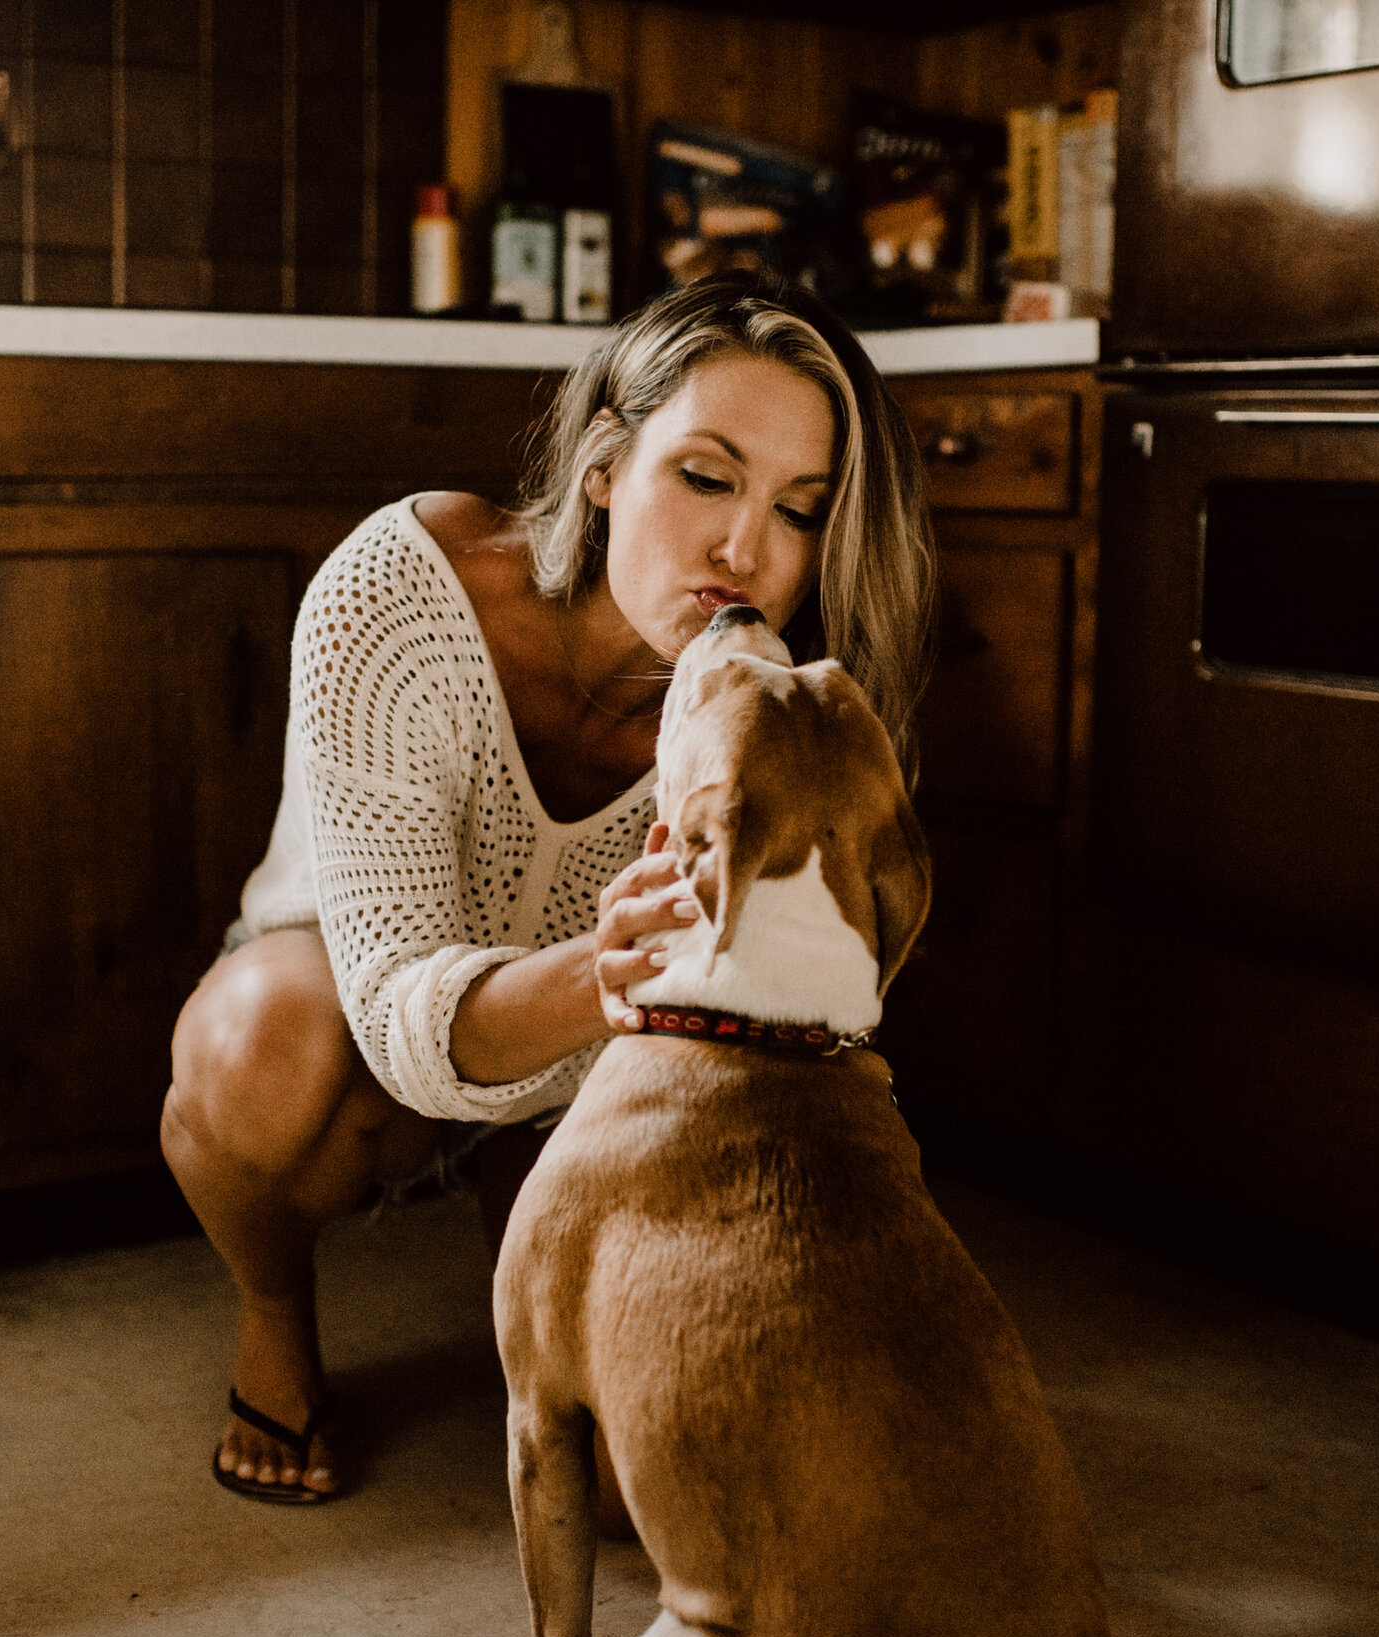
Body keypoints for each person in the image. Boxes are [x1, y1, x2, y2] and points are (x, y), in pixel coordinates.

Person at [161, 273, 938, 1503]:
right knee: (251, 1050)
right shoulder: (405, 594)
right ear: (600, 463)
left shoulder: (784, 705)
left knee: (662, 1495)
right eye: (704, 476)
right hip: (363, 1027)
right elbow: (398, 1018)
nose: (747, 552)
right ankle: (272, 1313)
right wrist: (604, 968)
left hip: (595, 1062)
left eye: (801, 508)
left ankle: (518, 1200)